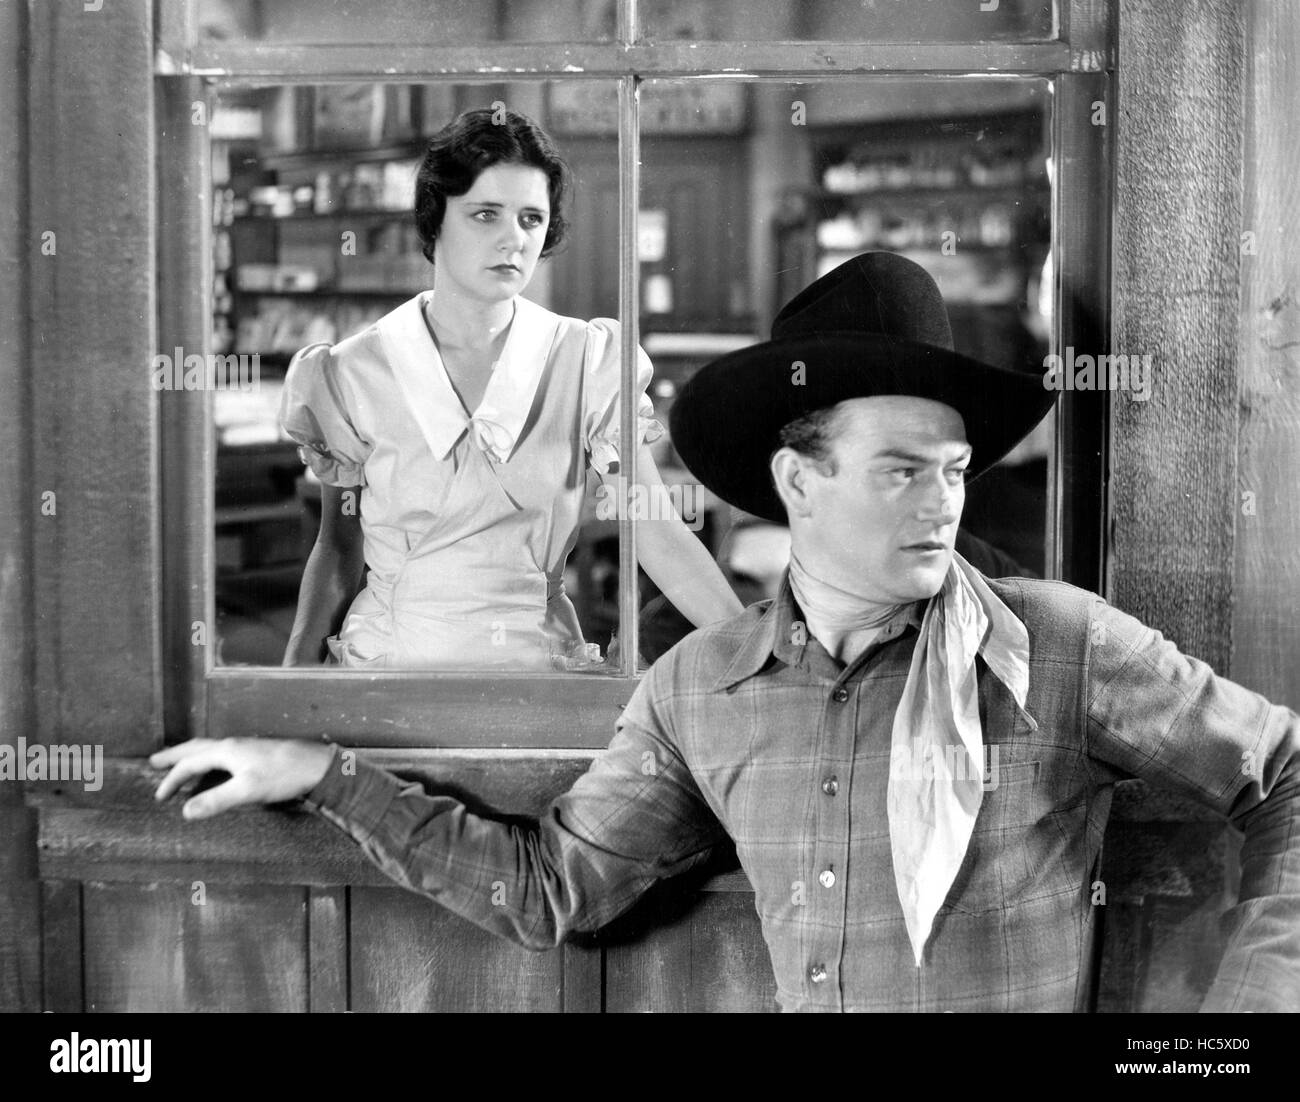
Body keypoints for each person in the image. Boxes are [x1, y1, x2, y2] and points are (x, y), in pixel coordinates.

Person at [154, 252, 1300, 1011]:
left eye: (951, 471)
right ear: (798, 482)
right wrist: (319, 771)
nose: (941, 502)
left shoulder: (1055, 646)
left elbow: (1284, 772)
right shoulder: (700, 687)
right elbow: (553, 891)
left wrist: (1246, 1016)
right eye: (899, 471)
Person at [279, 107, 741, 669]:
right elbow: (337, 547)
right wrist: (290, 692)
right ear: (435, 221)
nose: (512, 240)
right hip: (385, 671)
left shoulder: (587, 360)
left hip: (539, 674)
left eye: (530, 218)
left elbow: (659, 535)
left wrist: (755, 651)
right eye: (485, 215)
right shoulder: (352, 371)